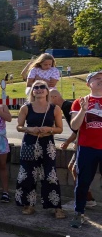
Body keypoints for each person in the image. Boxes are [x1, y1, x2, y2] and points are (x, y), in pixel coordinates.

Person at [15, 80, 65, 218]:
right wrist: (28, 129)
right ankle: (28, 204)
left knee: (50, 174)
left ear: (48, 91)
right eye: (35, 87)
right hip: (30, 143)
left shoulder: (55, 108)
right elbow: (18, 126)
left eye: (42, 87)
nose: (39, 89)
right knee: (27, 175)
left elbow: (60, 129)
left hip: (47, 144)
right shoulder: (26, 107)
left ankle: (55, 206)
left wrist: (49, 129)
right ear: (32, 91)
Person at [69, 71, 102, 228]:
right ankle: (79, 213)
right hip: (87, 148)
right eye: (97, 79)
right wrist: (83, 110)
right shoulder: (80, 102)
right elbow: (75, 126)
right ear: (89, 83)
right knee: (83, 182)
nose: (101, 81)